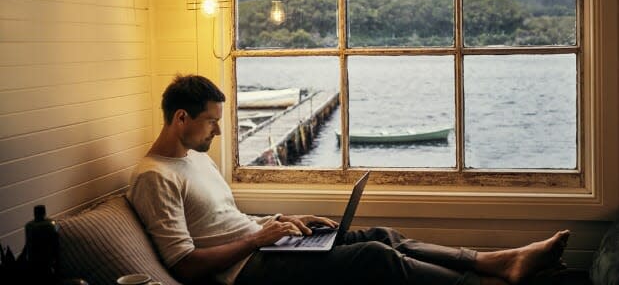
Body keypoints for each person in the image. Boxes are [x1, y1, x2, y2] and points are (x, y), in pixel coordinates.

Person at [127, 74, 570, 285]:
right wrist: (258, 241)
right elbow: (183, 263)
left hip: (263, 248)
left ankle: (496, 260)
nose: (219, 132)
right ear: (180, 117)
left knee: (379, 233)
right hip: (248, 272)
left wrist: (285, 220)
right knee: (374, 256)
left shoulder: (195, 156)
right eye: (211, 122)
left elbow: (225, 219)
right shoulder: (154, 177)